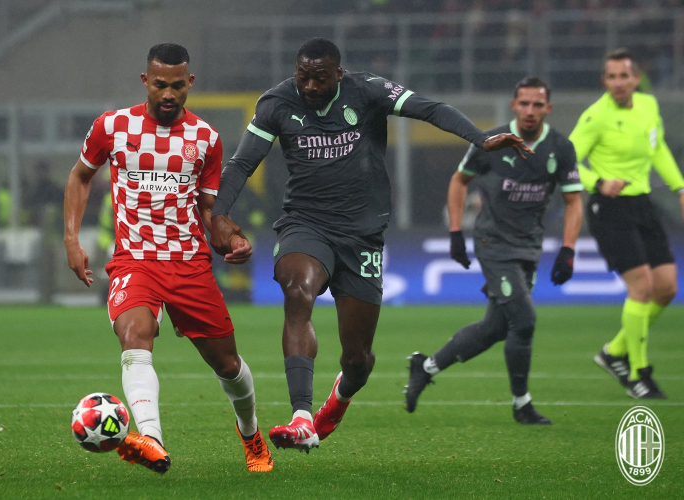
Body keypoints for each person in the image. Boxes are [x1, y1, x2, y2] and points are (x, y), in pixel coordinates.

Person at [210, 37, 529, 452]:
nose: (310, 86)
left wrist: (479, 138)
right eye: (303, 76)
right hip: (305, 223)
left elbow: (430, 109)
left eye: (320, 78)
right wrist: (219, 215)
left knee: (357, 360)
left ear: (339, 74)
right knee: (297, 291)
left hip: (361, 234)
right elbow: (241, 163)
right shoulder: (276, 103)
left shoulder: (368, 91)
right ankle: (301, 416)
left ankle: (337, 402)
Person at [63, 43, 273, 475]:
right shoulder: (112, 126)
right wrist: (71, 238)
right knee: (134, 335)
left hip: (189, 264)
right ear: (145, 81)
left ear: (190, 83)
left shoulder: (206, 139)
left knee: (228, 365)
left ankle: (251, 433)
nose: (168, 94)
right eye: (160, 84)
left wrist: (231, 238)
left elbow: (209, 209)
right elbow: (80, 176)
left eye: (178, 86)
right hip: (134, 260)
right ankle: (151, 439)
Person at [404, 77, 583, 424]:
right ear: (514, 105)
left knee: (495, 328)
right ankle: (522, 404)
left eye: (537, 105)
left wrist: (568, 249)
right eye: (524, 103)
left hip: (529, 246)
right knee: (524, 320)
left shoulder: (560, 148)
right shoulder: (493, 141)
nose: (530, 111)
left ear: (548, 108)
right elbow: (460, 179)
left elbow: (574, 200)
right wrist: (455, 232)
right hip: (493, 243)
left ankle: (425, 368)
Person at [570, 48, 684, 400]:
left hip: (642, 204)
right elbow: (566, 160)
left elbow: (657, 148)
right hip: (609, 209)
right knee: (642, 287)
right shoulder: (596, 116)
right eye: (612, 77)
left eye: (624, 76)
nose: (618, 83)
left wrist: (680, 187)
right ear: (604, 81)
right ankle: (638, 373)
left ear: (636, 79)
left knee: (667, 287)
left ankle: (613, 352)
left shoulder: (648, 106)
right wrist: (598, 182)